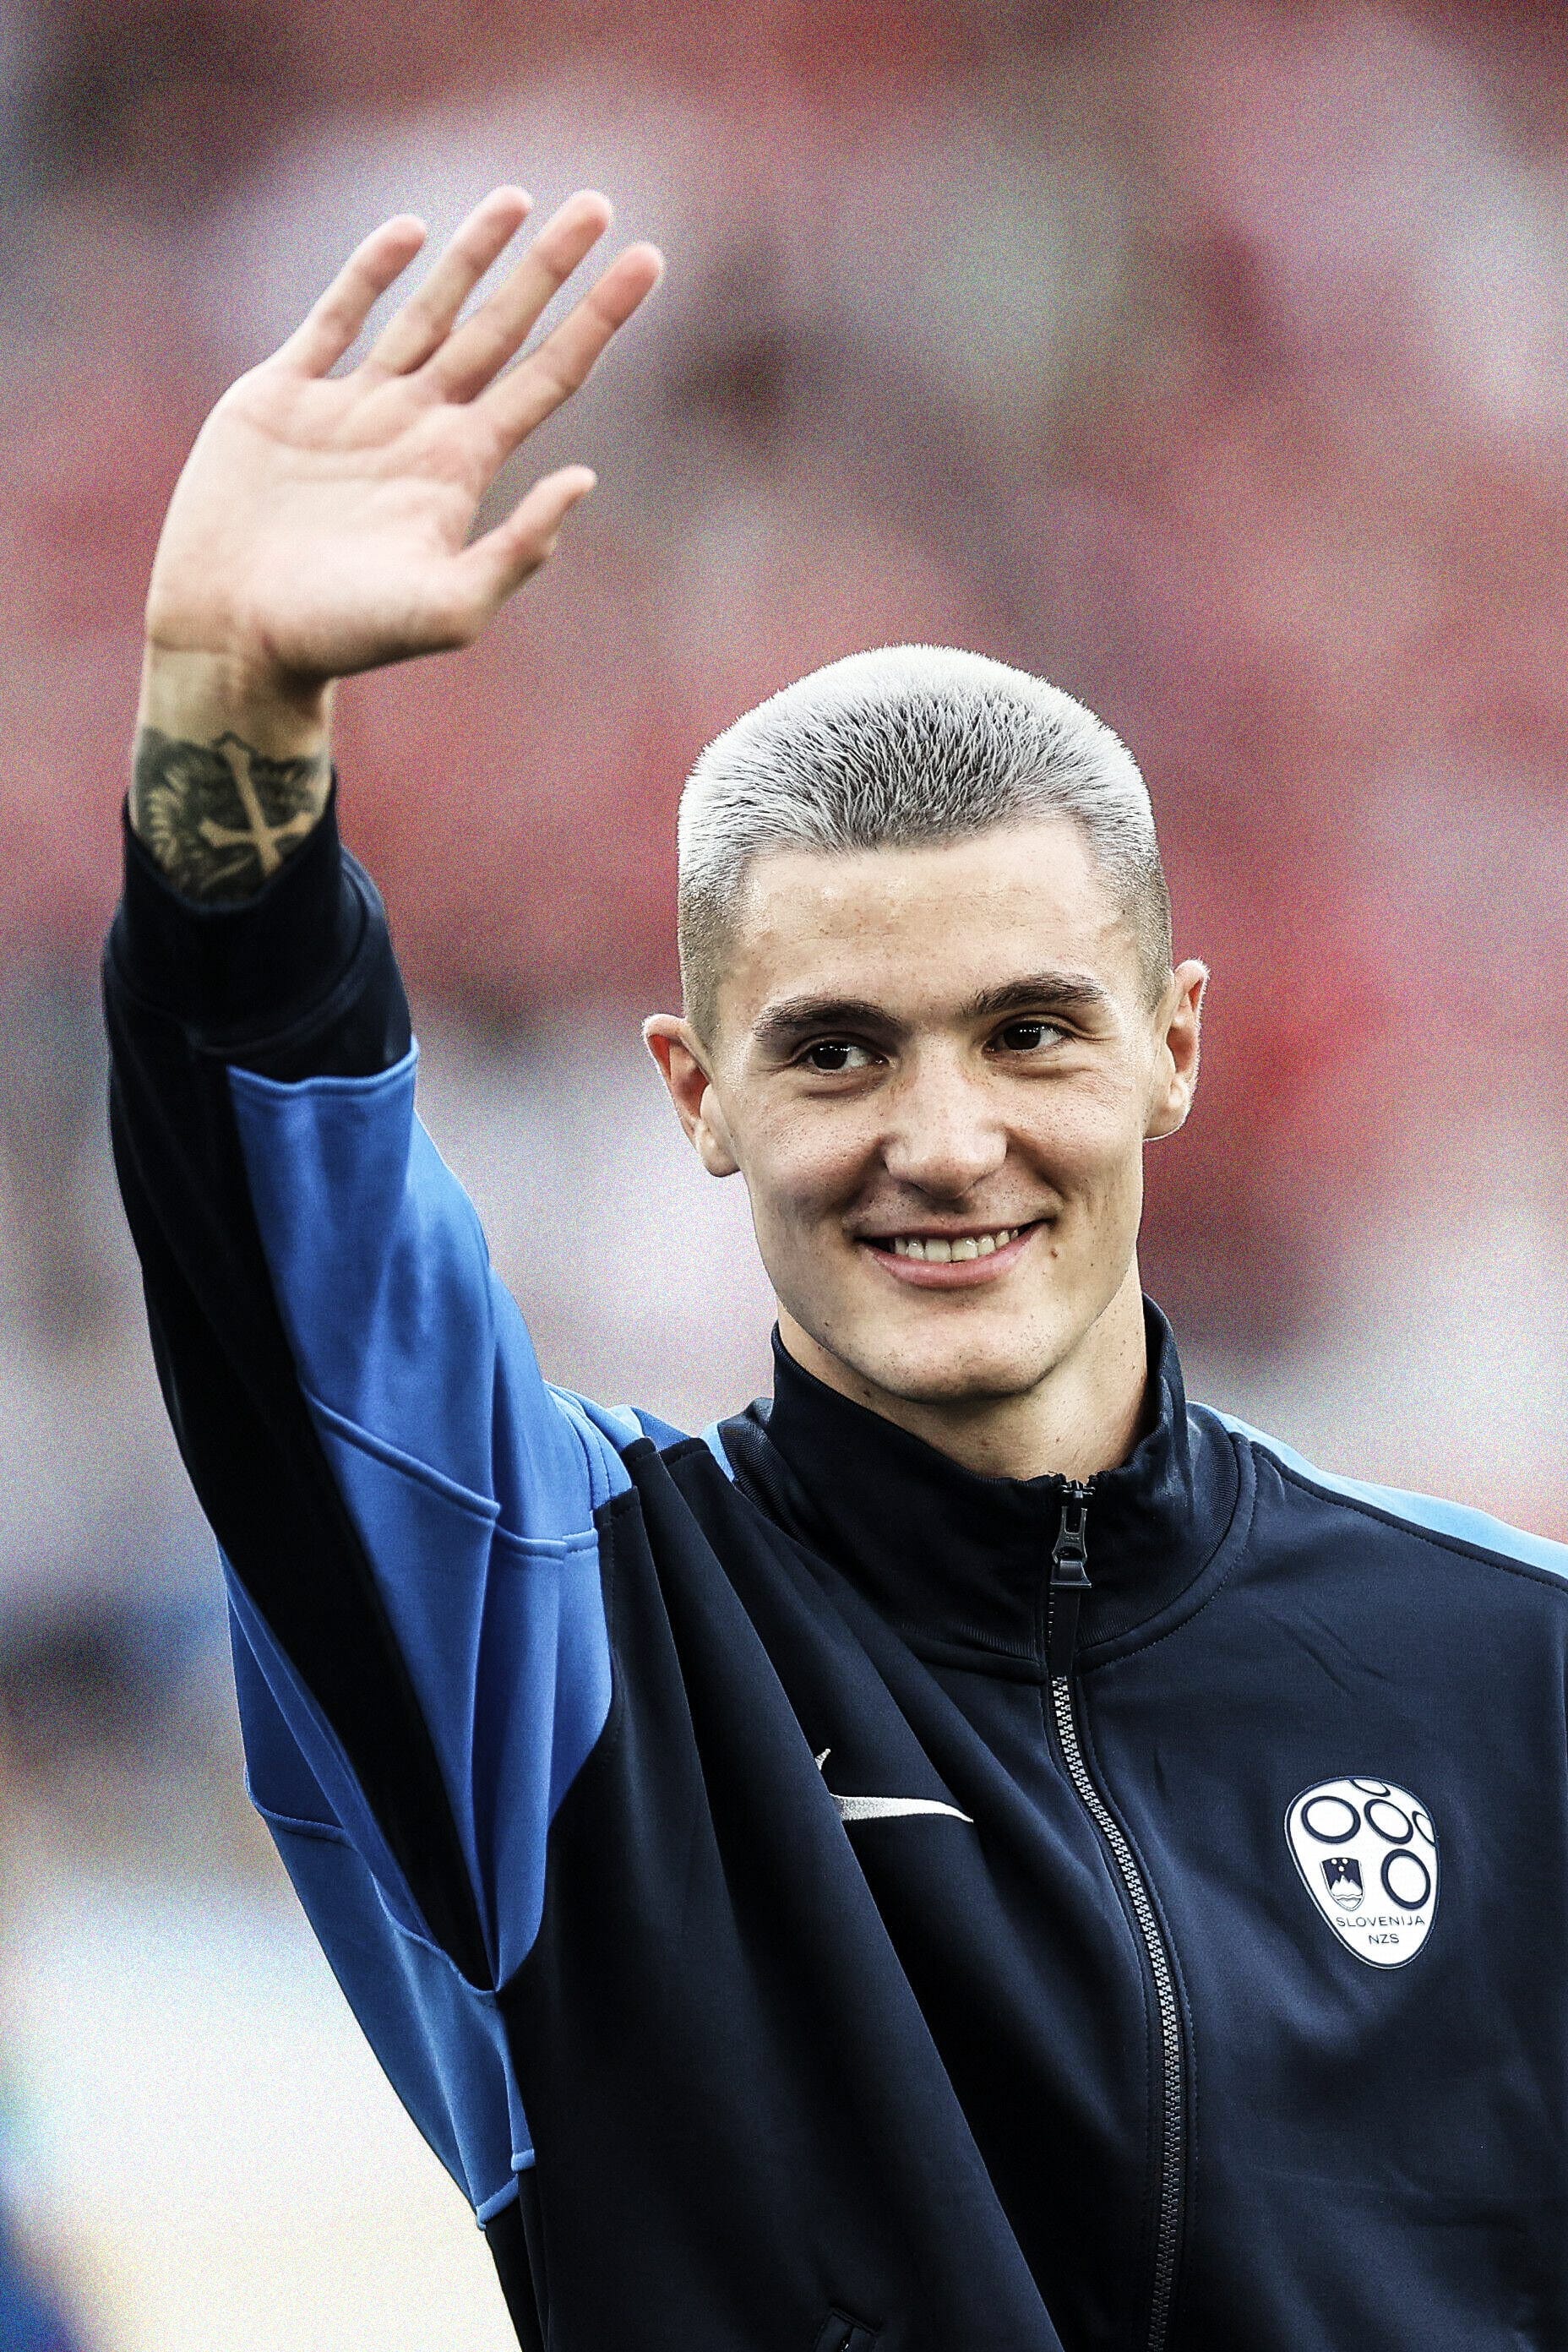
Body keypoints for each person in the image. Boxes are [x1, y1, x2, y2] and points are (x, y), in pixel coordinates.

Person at [102, 184, 1568, 2352]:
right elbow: (287, 1268)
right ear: (697, 1093)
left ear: (1170, 1048)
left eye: (1030, 1030)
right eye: (839, 1050)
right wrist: (229, 730)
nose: (943, 1138)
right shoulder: (575, 1650)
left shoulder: (1505, 1674)